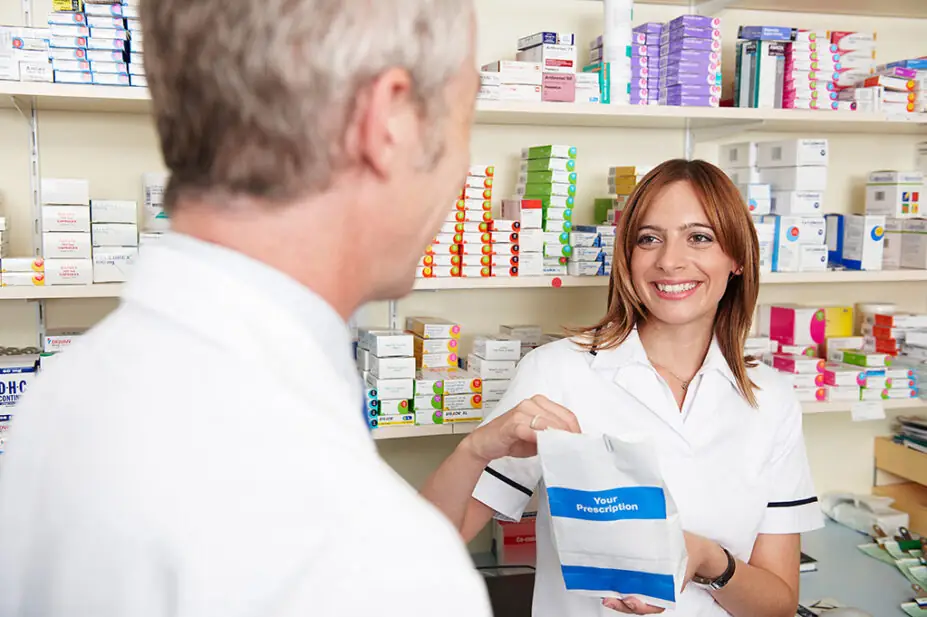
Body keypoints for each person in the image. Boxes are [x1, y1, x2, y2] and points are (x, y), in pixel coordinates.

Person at [0, 1, 567, 615]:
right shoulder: (382, 564)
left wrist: (471, 453)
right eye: (465, 117)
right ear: (390, 123)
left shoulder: (59, 396)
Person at [421, 159, 825, 617]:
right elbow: (428, 548)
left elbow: (778, 605)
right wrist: (472, 450)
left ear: (735, 259)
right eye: (649, 239)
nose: (670, 261)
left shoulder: (769, 400)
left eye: (699, 237)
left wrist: (709, 560)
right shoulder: (557, 375)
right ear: (627, 258)